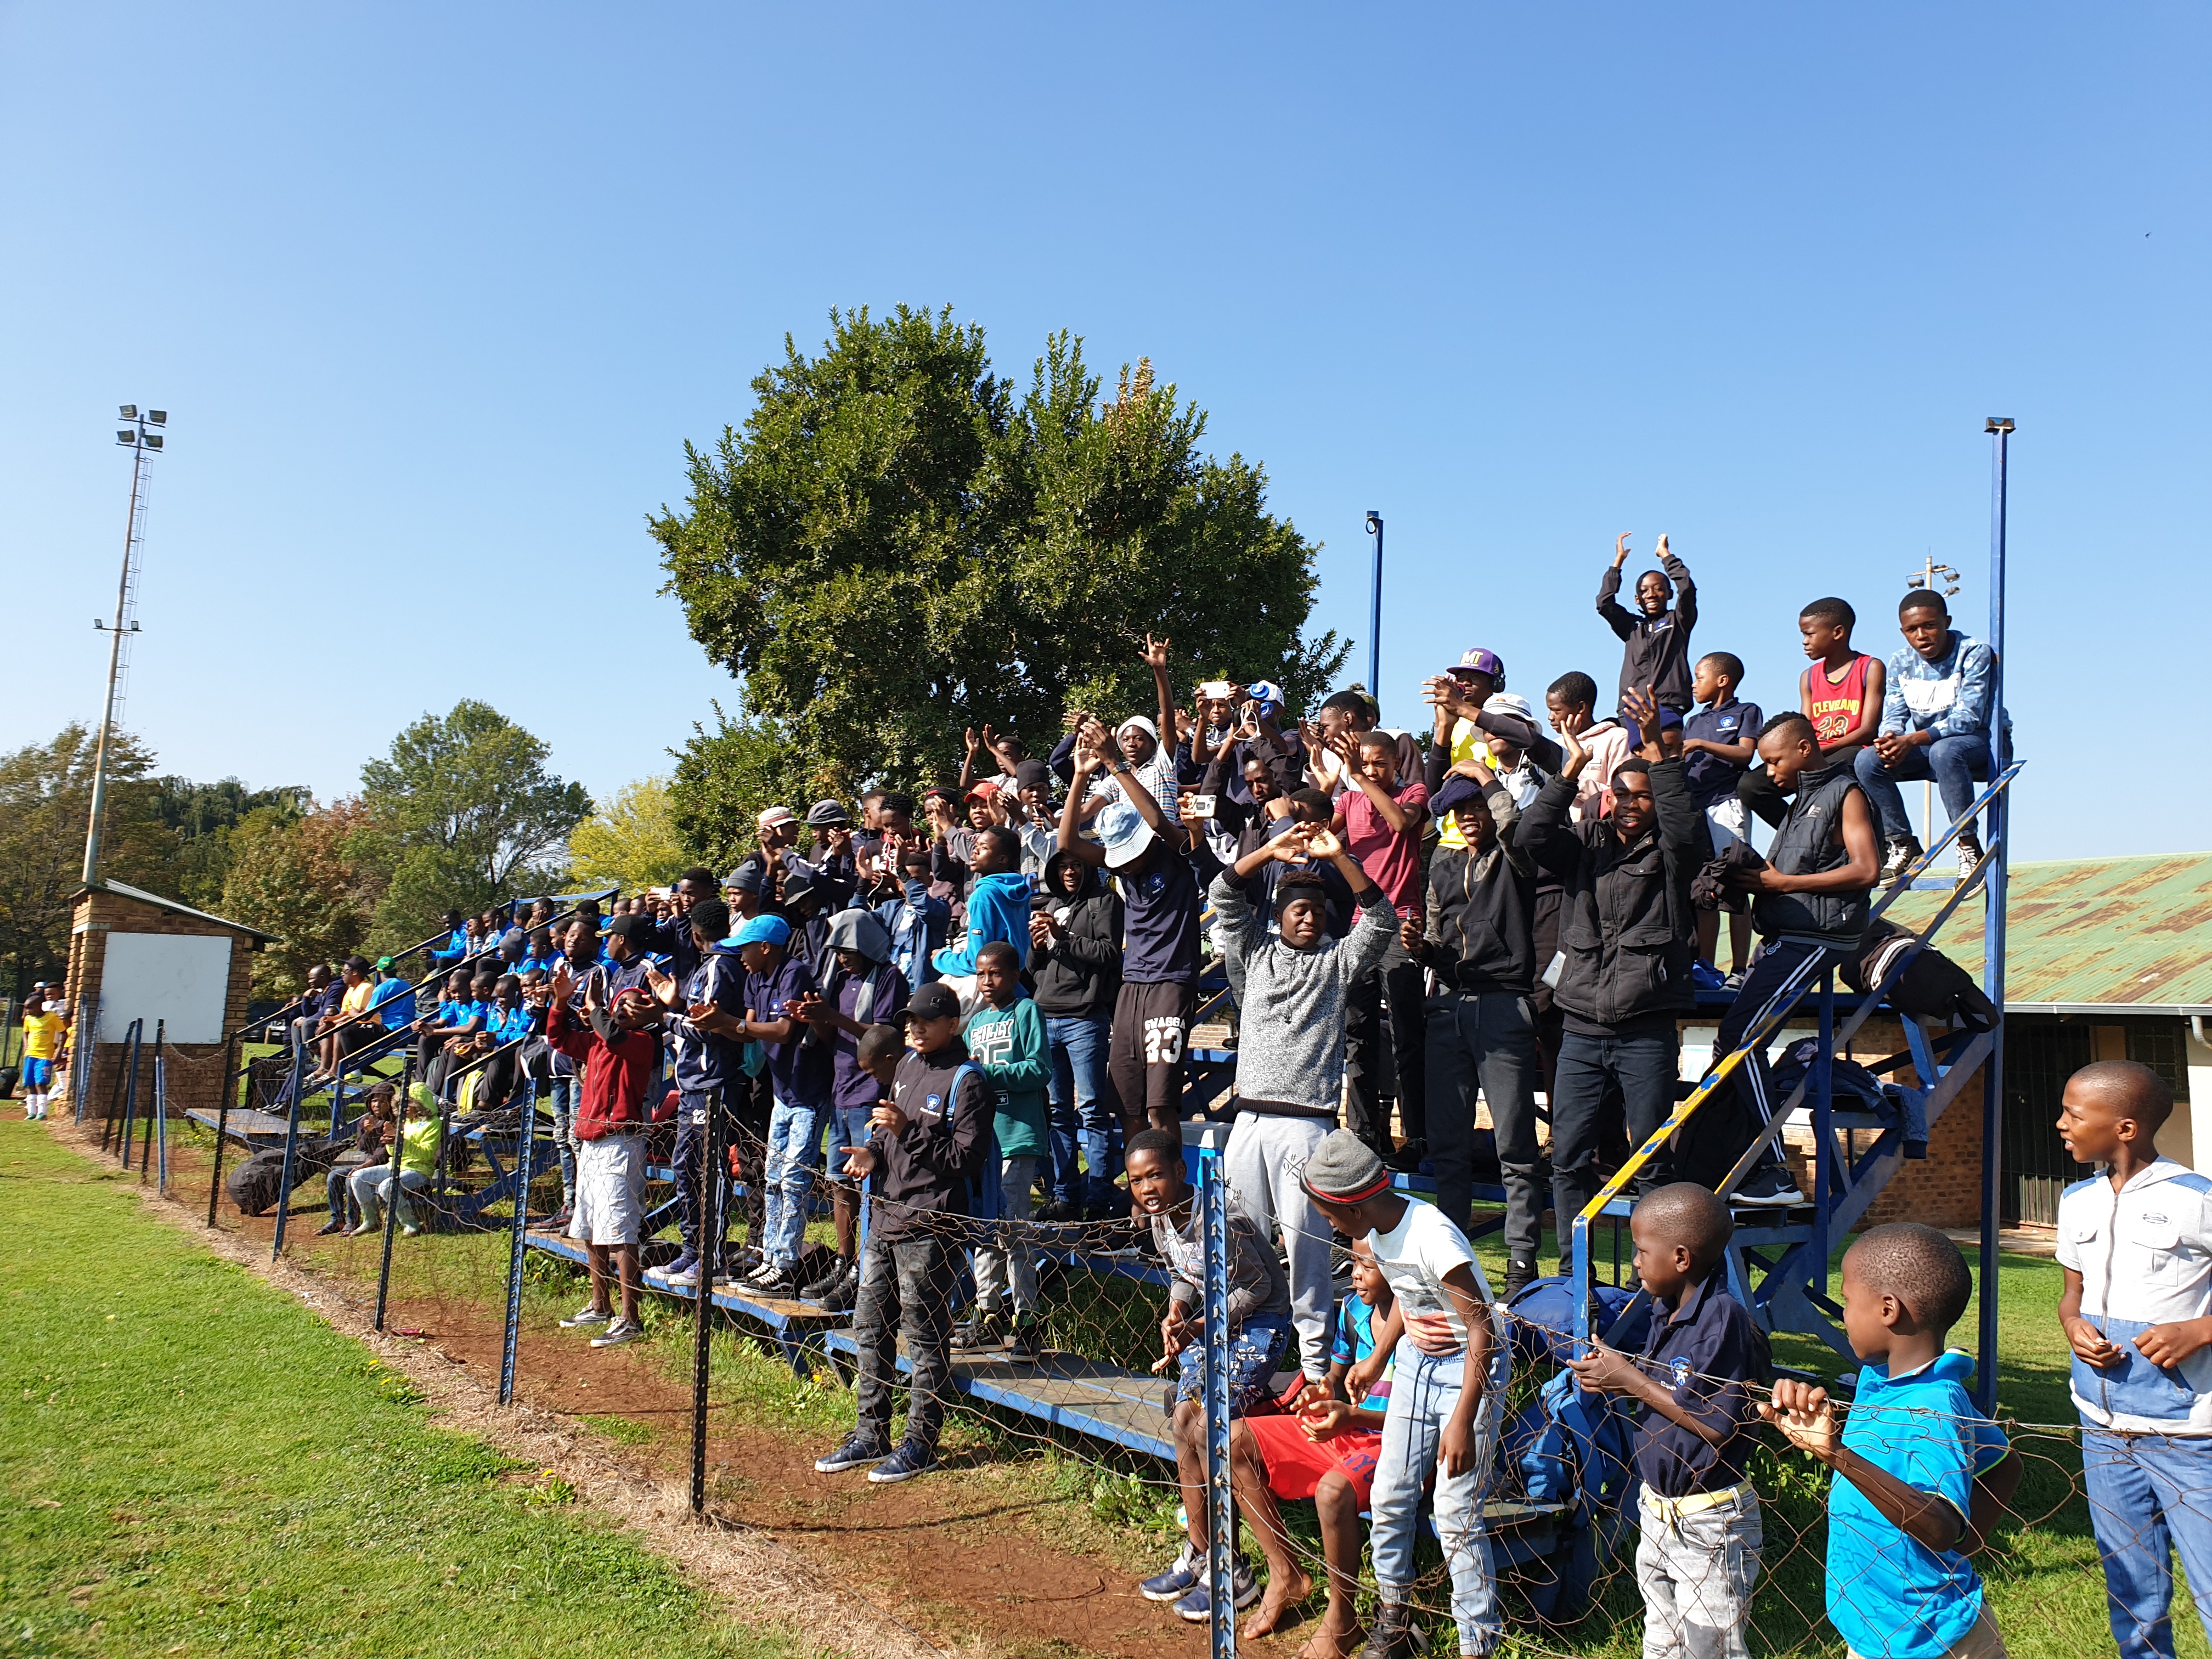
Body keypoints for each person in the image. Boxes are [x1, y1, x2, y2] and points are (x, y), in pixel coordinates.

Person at [1296, 1131, 1508, 1659]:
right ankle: (1394, 1620)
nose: (1329, 1226)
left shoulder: (1432, 1237)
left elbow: (1481, 1329)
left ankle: (1477, 1642)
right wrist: (1376, 1358)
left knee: (1456, 1513)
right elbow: (1408, 1300)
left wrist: (1462, 1420)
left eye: (1329, 1216)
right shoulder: (1377, 1230)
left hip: (1470, 1370)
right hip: (1417, 1360)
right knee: (1390, 1496)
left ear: (1354, 1205)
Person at [1762, 1224, 2005, 1659]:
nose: (1843, 1314)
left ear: (1888, 1309)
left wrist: (1838, 1455)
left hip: (1934, 1638)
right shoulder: (1880, 1382)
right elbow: (2005, 1461)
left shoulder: (1934, 1404)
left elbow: (1942, 1528)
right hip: (1877, 1626)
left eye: (1848, 1301)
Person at [1519, 688, 1698, 1269]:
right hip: (1581, 1029)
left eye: (1643, 796)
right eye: (1622, 794)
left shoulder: (1671, 854)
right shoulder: (1585, 845)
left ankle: (1656, 1281)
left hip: (1646, 1030)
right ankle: (1577, 1276)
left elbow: (1687, 834)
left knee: (1651, 1161)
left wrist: (1659, 756)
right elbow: (1530, 837)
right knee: (1568, 1157)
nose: (1630, 804)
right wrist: (1568, 773)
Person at [1212, 821, 1396, 1382]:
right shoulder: (1255, 949)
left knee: (1307, 1254)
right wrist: (1270, 850)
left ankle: (1316, 1373)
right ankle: (1240, 1359)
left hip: (1306, 1129)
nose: (1310, 917)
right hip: (1248, 1121)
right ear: (1280, 914)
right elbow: (1224, 893)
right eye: (1299, 909)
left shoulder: (1338, 962)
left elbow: (1382, 920)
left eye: (1318, 910)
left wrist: (1339, 857)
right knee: (1239, 1246)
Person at [1686, 711, 1881, 1206]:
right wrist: (1744, 879)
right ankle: (1728, 1162)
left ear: (1804, 749)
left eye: (1775, 761)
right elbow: (1784, 874)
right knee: (1730, 1048)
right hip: (1784, 935)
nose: (1770, 771)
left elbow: (1867, 870)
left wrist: (1783, 883)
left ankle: (1775, 1173)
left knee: (1741, 1041)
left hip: (1815, 938)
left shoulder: (1846, 792)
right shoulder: (1799, 803)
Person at [1567, 1184, 1769, 1659]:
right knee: (1661, 1638)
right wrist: (1615, 1380)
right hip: (1658, 1509)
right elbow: (1671, 1395)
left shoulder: (1723, 1321)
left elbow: (1713, 1423)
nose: (1636, 1262)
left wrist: (1631, 1380)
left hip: (1709, 1522)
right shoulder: (1667, 1309)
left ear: (1680, 1258)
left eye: (1642, 1251)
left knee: (1711, 1648)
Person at [2055, 1059, 2212, 1659]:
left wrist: (2200, 1330)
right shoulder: (2077, 1201)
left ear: (2125, 1128)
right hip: (2103, 1432)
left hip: (2188, 1436)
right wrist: (2073, 1325)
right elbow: (2071, 1294)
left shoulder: (2197, 1201)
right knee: (2132, 1594)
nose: (2061, 1124)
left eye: (2074, 1114)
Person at [814, 980, 993, 1485]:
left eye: (926, 1021)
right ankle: (871, 1434)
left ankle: (921, 1443)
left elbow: (965, 1159)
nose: (915, 1029)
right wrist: (873, 1152)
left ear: (952, 1025)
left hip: (931, 1224)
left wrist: (905, 1132)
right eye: (910, 1021)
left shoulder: (968, 1081)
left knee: (925, 1336)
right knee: (870, 1327)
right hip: (886, 1216)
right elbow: (885, 1133)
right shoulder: (909, 1065)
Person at [1129, 1128, 1293, 1624]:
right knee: (1182, 1419)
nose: (1147, 1188)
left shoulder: (1221, 1221)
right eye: (1137, 1180)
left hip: (1260, 1326)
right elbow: (1185, 1274)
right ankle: (1201, 1552)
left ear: (1181, 1172)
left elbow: (1258, 1288)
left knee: (1207, 1426)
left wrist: (1199, 1325)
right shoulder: (1161, 1220)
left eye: (1156, 1175)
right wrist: (1177, 1310)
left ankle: (1233, 1572)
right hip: (1214, 1324)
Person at [1408, 765, 1545, 1298]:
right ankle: (1453, 1267)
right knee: (1448, 1148)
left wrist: (1486, 776)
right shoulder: (1443, 865)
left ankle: (1522, 1265)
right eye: (1458, 811)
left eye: (1477, 807)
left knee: (1516, 1147)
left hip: (1504, 1003)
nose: (1468, 817)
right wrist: (1421, 947)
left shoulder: (1515, 857)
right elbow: (1437, 937)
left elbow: (1515, 828)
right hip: (1448, 1006)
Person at [1231, 1238, 1398, 1657]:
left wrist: (1352, 1416)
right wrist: (1322, 1391)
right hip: (1345, 1428)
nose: (1355, 1274)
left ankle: (1342, 1619)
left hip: (1395, 1443)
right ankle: (1285, 1573)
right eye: (1353, 1262)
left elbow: (1420, 1422)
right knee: (1234, 1441)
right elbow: (1336, 1378)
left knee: (1332, 1491)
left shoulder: (1418, 1329)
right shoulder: (1354, 1310)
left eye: (1367, 1266)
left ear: (1398, 1268)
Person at [1058, 727, 1205, 1159]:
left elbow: (1158, 820)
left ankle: (1172, 1188)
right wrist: (1079, 777)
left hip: (1171, 982)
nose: (1128, 862)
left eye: (1132, 850)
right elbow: (1067, 842)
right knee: (1127, 1105)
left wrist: (1114, 764)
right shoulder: (1119, 864)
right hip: (1132, 985)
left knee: (1160, 1104)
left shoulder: (1175, 853)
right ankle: (1139, 1193)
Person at [790, 909, 910, 1308]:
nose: (842, 959)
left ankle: (867, 1268)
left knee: (868, 1184)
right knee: (839, 1181)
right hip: (840, 1090)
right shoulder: (841, 980)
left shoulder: (889, 977)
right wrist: (817, 1020)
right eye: (838, 952)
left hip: (870, 1092)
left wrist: (833, 1016)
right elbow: (834, 1038)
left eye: (848, 951)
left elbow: (884, 1036)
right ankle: (844, 1261)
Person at [1325, 727, 1431, 1164]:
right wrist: (1329, 785)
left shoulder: (1413, 793)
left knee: (1408, 1034)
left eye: (1379, 764)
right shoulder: (1349, 801)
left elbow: (1402, 823)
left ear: (1396, 764)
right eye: (1364, 763)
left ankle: (1418, 1137)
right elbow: (1323, 840)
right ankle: (1365, 1135)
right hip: (1360, 927)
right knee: (1358, 1035)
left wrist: (1356, 776)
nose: (1371, 770)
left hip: (1401, 924)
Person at [544, 959, 662, 1350]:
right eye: (620, 1004)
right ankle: (600, 1305)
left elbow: (612, 1035)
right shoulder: (597, 1042)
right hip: (591, 1141)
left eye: (634, 1006)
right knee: (591, 1225)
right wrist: (561, 1003)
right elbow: (559, 1038)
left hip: (620, 1142)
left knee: (620, 1228)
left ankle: (631, 1318)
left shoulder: (641, 1042)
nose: (624, 1009)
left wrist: (595, 1007)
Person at [1858, 589, 2002, 882]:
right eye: (1912, 630)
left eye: (1930, 626)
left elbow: (1968, 718)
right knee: (1867, 760)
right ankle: (1902, 843)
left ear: (1946, 622)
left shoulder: (1974, 652)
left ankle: (1968, 845)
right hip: (1929, 747)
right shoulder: (1900, 662)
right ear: (1903, 632)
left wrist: (1911, 740)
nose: (1921, 635)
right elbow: (1894, 713)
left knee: (1945, 751)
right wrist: (1890, 739)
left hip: (1978, 743)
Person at [723, 913, 832, 1297]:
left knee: (794, 1180)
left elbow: (784, 1031)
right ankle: (769, 1257)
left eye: (745, 948)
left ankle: (785, 1267)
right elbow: (749, 1029)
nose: (741, 957)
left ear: (766, 947)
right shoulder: (755, 978)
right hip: (781, 1094)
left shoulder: (794, 973)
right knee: (772, 1179)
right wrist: (714, 1023)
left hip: (807, 1094)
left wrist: (732, 1024)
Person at [957, 940, 1050, 1356]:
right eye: (981, 974)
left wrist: (988, 1073)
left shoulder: (1026, 1011)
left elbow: (1040, 1068)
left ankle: (1027, 1321)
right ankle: (988, 1314)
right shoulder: (976, 1022)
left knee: (1014, 1231)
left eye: (995, 973)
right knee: (985, 1229)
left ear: (1014, 975)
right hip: (983, 1143)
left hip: (1016, 1136)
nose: (987, 981)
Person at [642, 899, 741, 1289]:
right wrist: (677, 1005)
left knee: (709, 1169)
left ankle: (711, 1257)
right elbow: (697, 1017)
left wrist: (663, 1017)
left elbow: (710, 1029)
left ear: (697, 935)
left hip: (713, 1084)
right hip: (692, 1086)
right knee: (686, 1166)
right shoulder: (706, 966)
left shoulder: (721, 967)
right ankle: (692, 1248)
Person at [1030, 848, 1122, 1220]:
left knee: (1093, 1110)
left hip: (1084, 1018)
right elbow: (1034, 969)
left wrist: (1062, 936)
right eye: (1063, 867)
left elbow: (1109, 953)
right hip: (1047, 1016)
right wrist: (1037, 946)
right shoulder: (1051, 904)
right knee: (1058, 1113)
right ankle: (1065, 1197)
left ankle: (1098, 1200)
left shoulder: (1105, 901)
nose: (1069, 872)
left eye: (1076, 866)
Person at [1742, 596, 1888, 832]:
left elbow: (1868, 730)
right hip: (1812, 751)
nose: (1804, 641)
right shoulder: (1808, 677)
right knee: (1750, 786)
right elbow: (1803, 727)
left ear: (1838, 632)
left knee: (1844, 765)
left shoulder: (1870, 667)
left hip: (1850, 750)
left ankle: (1859, 834)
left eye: (1809, 634)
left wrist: (1820, 751)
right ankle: (1799, 834)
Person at [1681, 652, 1763, 979]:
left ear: (1722, 681)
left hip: (1727, 804)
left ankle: (1740, 969)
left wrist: (1700, 745)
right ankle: (1706, 966)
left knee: (1734, 884)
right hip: (1696, 809)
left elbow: (1745, 754)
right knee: (1704, 888)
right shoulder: (1693, 721)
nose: (1694, 684)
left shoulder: (1746, 711)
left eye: (1700, 678)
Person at [1598, 531, 1699, 715]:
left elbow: (1686, 589)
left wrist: (1665, 555)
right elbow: (1604, 604)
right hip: (1632, 707)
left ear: (1669, 594)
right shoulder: (1631, 627)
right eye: (1644, 591)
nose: (1651, 595)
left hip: (1668, 706)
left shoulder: (1679, 620)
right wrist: (1618, 562)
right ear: (1637, 599)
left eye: (1658, 589)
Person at [930, 823, 1031, 990]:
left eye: (984, 848)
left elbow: (977, 960)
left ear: (1002, 860)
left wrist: (941, 958)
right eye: (976, 846)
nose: (975, 851)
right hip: (1018, 981)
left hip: (994, 986)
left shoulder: (983, 894)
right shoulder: (1020, 889)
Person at [346, 1083, 445, 1238]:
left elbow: (426, 1154)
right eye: (402, 1103)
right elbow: (393, 1152)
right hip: (395, 1165)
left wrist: (401, 1142)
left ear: (419, 1104)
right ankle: (371, 1221)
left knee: (387, 1186)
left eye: (408, 1103)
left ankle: (410, 1224)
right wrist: (391, 1143)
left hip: (420, 1170)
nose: (404, 1107)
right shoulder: (405, 1122)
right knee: (358, 1177)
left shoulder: (433, 1124)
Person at [1546, 670, 1632, 822]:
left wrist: (1571, 777)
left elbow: (1618, 795)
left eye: (1557, 710)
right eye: (1549, 710)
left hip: (1598, 830)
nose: (1550, 717)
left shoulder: (1617, 738)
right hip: (1559, 832)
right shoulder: (1556, 746)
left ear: (1581, 708)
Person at [318, 1084, 398, 1234]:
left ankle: (353, 1221)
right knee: (333, 1177)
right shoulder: (366, 1120)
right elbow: (362, 1147)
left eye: (382, 1101)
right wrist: (368, 1131)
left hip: (385, 1166)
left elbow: (383, 1154)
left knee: (352, 1178)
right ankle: (337, 1220)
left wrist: (362, 1167)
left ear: (390, 1103)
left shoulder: (395, 1122)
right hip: (367, 1164)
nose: (377, 1105)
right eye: (374, 1101)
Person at [877, 839, 950, 995]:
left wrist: (902, 870)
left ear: (930, 881)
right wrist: (862, 888)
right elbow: (858, 923)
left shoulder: (941, 907)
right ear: (898, 884)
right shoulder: (889, 909)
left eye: (918, 880)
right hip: (888, 990)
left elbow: (926, 908)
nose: (911, 884)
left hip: (919, 991)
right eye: (906, 880)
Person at [18, 996, 66, 1120]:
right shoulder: (28, 1019)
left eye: (30, 1008)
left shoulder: (52, 1017)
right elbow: (25, 1032)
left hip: (45, 1055)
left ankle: (42, 1113)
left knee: (41, 1083)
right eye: (26, 1008)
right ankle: (31, 1113)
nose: (27, 1011)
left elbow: (63, 1033)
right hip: (30, 1055)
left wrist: (59, 1051)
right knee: (30, 1083)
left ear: (39, 1006)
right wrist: (25, 1044)